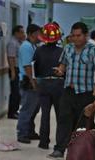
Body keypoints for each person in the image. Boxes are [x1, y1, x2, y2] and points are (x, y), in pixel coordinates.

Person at [48, 22, 95, 160]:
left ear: (85, 35)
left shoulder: (93, 49)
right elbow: (63, 65)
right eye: (73, 35)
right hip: (69, 90)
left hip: (86, 92)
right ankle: (59, 149)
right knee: (63, 119)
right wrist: (60, 71)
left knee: (85, 122)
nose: (75, 38)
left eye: (78, 35)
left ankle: (84, 150)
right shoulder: (67, 48)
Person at [33, 22, 64, 150]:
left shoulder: (39, 50)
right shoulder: (62, 51)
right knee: (60, 115)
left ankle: (43, 142)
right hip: (59, 84)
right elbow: (65, 68)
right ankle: (60, 143)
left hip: (44, 84)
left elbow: (36, 68)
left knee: (45, 114)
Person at [16, 24, 41, 144]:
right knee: (27, 108)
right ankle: (22, 133)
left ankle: (30, 131)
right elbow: (27, 66)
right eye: (38, 34)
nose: (39, 36)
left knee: (34, 108)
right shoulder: (26, 47)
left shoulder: (33, 45)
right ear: (31, 34)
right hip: (28, 81)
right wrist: (33, 82)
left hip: (33, 80)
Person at [6, 25, 25, 119]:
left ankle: (15, 111)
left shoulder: (19, 43)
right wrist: (13, 72)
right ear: (16, 33)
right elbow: (11, 58)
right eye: (21, 32)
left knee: (18, 92)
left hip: (19, 70)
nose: (23, 34)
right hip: (14, 69)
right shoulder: (12, 43)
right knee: (14, 92)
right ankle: (11, 112)